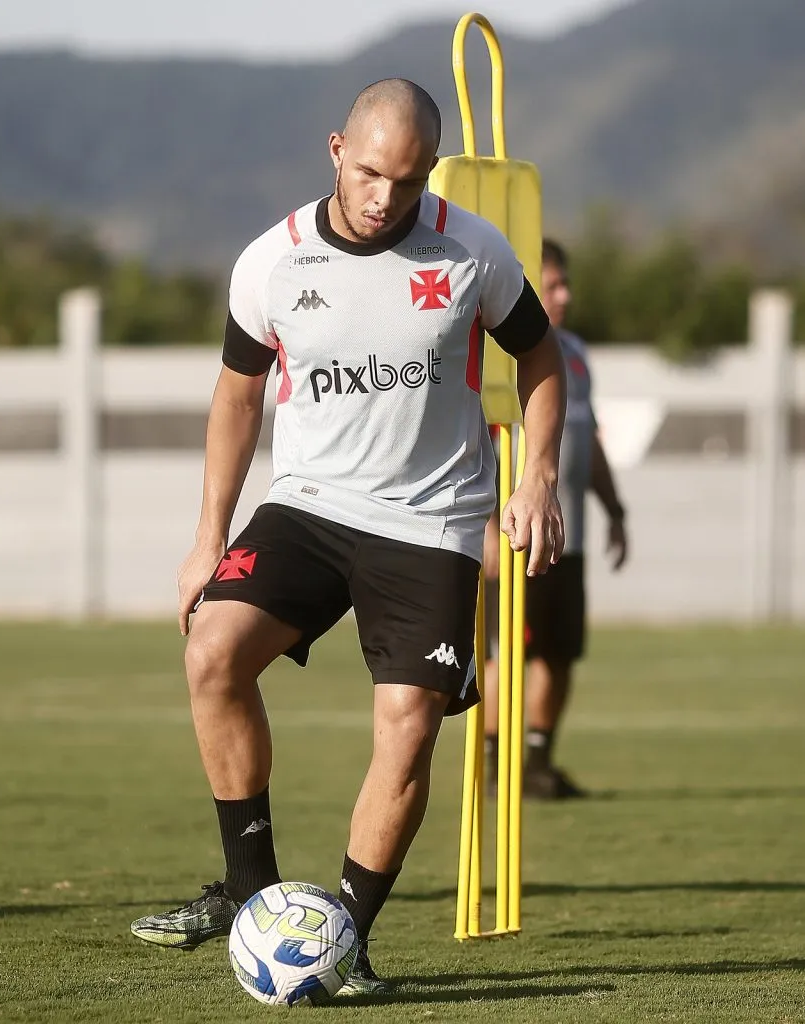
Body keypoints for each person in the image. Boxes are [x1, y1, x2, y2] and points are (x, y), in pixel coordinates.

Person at [130, 79, 566, 994]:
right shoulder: (271, 263)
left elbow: (538, 354)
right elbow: (237, 395)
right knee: (212, 652)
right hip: (310, 504)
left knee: (406, 729)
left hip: (432, 520)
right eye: (370, 173)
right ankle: (250, 897)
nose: (384, 199)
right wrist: (207, 534)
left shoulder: (471, 249)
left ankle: (345, 939)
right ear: (336, 150)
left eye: (406, 183)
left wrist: (538, 476)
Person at [483, 238, 628, 800]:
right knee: (504, 654)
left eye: (565, 283)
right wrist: (487, 526)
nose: (564, 294)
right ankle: (496, 768)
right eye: (552, 284)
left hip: (568, 536)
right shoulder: (500, 358)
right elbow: (481, 446)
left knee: (559, 654)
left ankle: (539, 765)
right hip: (513, 538)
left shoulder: (575, 355)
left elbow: (588, 438)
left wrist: (615, 510)